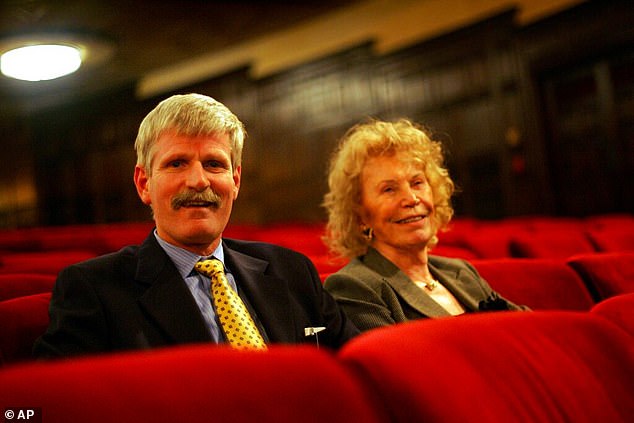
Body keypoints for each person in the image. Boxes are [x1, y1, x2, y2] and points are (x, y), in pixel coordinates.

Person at [34, 93, 358, 357]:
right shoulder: (93, 291)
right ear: (144, 183)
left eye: (214, 164)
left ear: (235, 180)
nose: (198, 180)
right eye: (177, 163)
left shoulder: (291, 270)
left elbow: (354, 367)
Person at [322, 118, 528, 332]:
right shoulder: (354, 287)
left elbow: (528, 330)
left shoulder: (460, 271)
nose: (411, 199)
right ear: (359, 216)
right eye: (389, 189)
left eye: (417, 183)